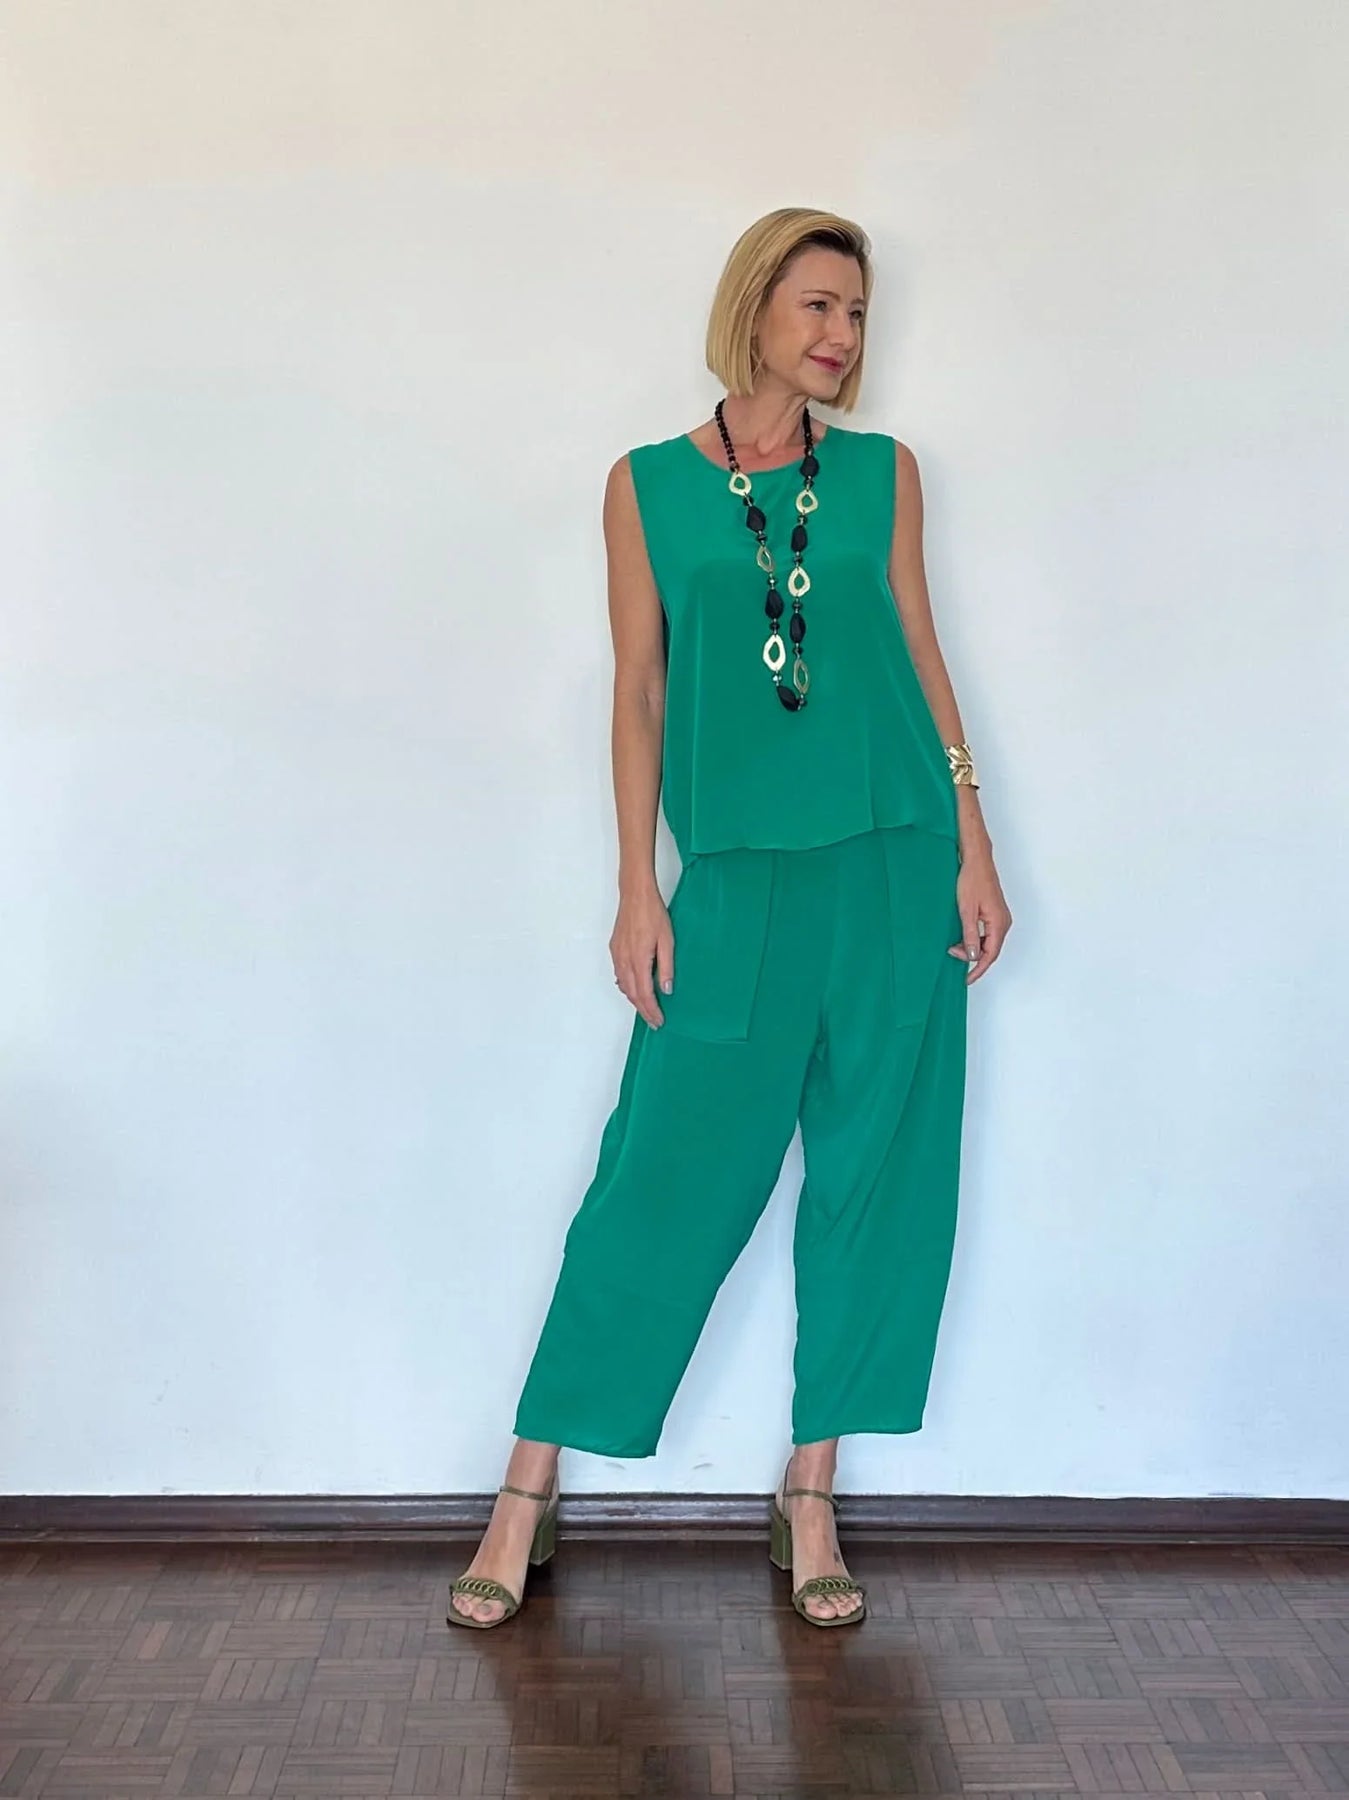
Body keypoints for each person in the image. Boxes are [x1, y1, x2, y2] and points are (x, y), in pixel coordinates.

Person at [447, 207, 1013, 1632]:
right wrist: (638, 884)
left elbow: (922, 656)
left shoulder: (884, 473)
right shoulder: (643, 485)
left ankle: (809, 1491)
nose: (841, 335)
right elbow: (639, 690)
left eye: (857, 314)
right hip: (737, 878)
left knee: (876, 1178)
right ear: (754, 307)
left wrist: (973, 836)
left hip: (894, 863)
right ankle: (526, 1488)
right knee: (659, 1177)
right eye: (818, 305)